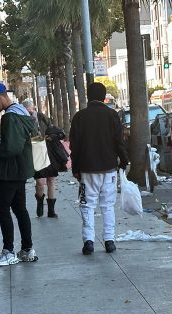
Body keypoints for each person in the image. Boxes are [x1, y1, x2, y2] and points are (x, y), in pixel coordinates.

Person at [0, 82, 38, 266]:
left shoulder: (9, 117)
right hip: (21, 168)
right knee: (20, 208)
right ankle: (27, 249)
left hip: (10, 170)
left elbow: (12, 147)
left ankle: (9, 251)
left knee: (2, 208)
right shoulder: (23, 112)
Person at [69, 82, 128, 255]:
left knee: (87, 205)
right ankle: (109, 240)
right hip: (109, 168)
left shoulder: (80, 117)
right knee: (108, 205)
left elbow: (75, 146)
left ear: (88, 96)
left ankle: (89, 241)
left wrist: (76, 168)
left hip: (87, 169)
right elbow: (119, 142)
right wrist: (123, 161)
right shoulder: (112, 115)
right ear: (104, 97)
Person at [22, 98, 60, 218]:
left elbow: (52, 128)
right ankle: (40, 203)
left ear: (34, 108)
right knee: (40, 182)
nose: (30, 113)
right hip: (36, 152)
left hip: (49, 151)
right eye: (28, 111)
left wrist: (50, 136)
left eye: (31, 111)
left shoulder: (41, 117)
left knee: (51, 180)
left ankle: (51, 210)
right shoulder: (23, 120)